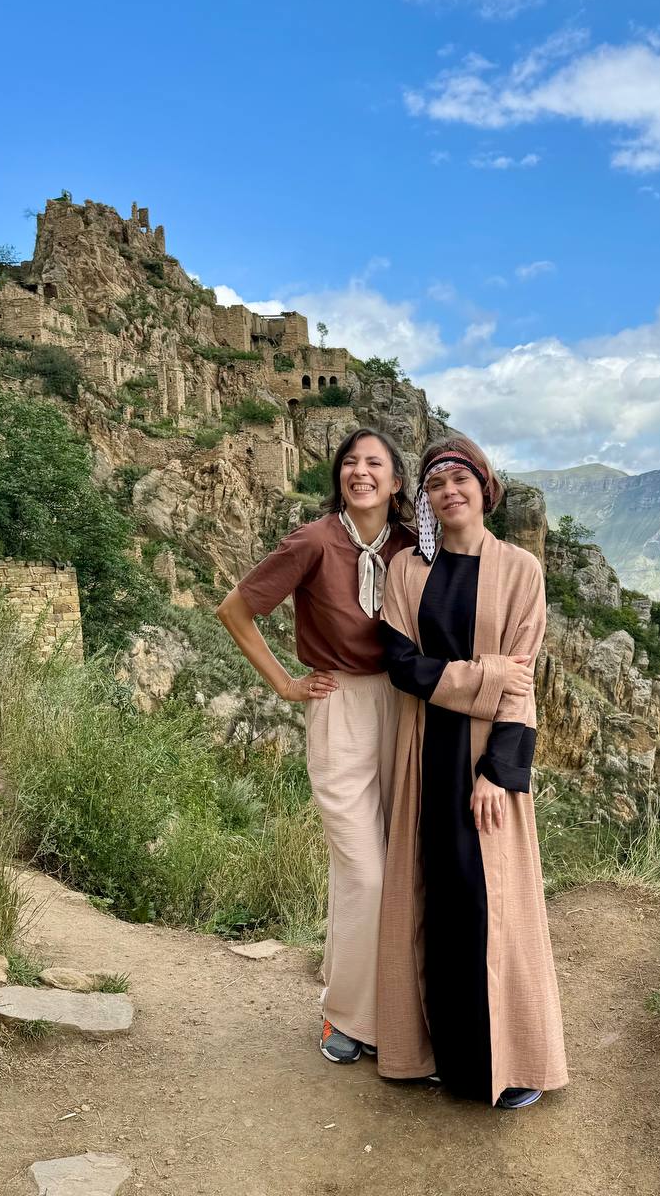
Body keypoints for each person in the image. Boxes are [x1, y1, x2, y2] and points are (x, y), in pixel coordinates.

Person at [374, 435, 568, 1110]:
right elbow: (402, 666)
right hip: (424, 755)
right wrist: (484, 674)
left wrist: (496, 772)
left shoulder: (519, 570)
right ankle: (441, 1057)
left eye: (460, 479)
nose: (448, 491)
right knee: (438, 903)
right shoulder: (407, 571)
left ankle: (511, 1062)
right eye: (434, 483)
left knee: (492, 904)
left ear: (485, 488)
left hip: (485, 762)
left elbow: (523, 681)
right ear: (425, 500)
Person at [216, 427, 415, 1064]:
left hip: (406, 708)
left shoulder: (411, 546)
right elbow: (235, 610)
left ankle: (381, 1003)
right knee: (364, 871)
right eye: (350, 462)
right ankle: (345, 1016)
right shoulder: (313, 541)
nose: (360, 472)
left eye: (374, 463)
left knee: (395, 867)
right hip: (340, 707)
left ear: (397, 481)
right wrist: (284, 684)